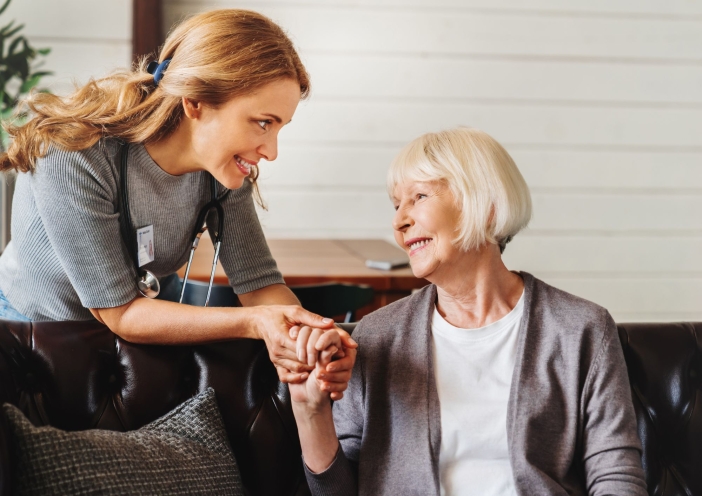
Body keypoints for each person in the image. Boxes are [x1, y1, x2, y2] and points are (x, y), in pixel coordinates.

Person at [0, 9, 355, 391]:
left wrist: (311, 339)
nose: (271, 151)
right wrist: (256, 323)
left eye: (279, 128)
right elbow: (121, 313)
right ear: (195, 102)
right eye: (263, 123)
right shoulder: (74, 154)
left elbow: (259, 285)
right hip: (30, 338)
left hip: (130, 340)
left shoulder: (222, 172)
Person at [289, 127, 647, 495]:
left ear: (486, 206)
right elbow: (338, 491)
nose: (399, 221)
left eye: (419, 196)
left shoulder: (581, 330)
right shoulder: (377, 336)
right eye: (397, 204)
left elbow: (617, 477)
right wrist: (310, 411)